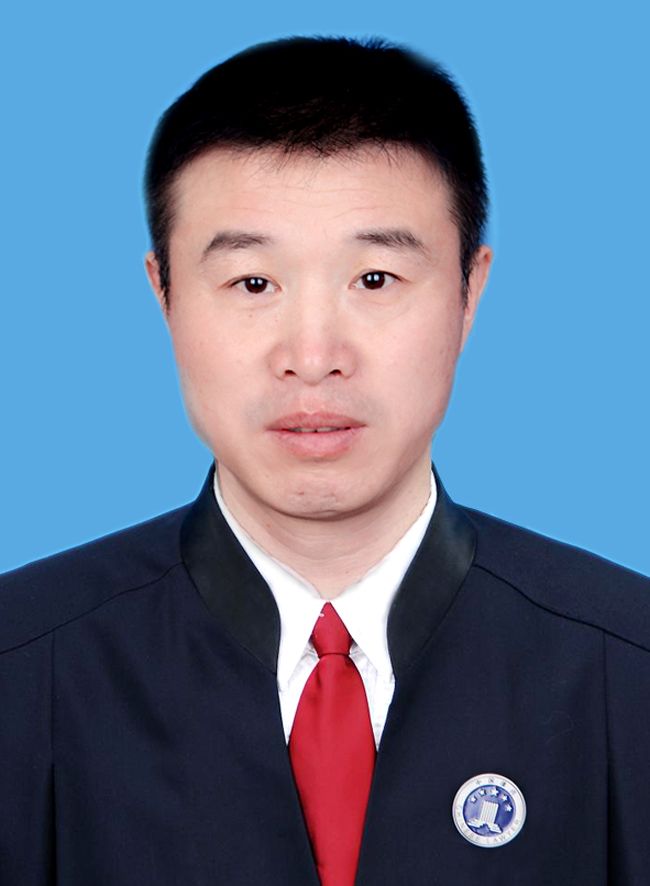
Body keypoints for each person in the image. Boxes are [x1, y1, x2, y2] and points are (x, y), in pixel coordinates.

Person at [0, 35, 648, 886]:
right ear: (164, 294)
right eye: (253, 283)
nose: (313, 357)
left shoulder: (626, 667)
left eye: (374, 280)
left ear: (469, 291)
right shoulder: (22, 669)